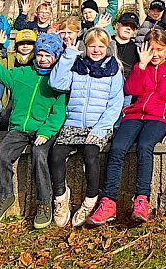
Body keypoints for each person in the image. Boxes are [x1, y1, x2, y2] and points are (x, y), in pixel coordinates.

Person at [86, 29, 166, 226]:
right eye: (151, 49)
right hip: (135, 114)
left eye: (160, 49)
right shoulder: (141, 65)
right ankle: (108, 201)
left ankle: (142, 199)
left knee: (144, 147)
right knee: (117, 148)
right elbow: (130, 90)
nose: (155, 54)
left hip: (159, 117)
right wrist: (141, 66)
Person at [0, 32, 66, 230]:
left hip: (44, 130)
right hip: (19, 129)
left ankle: (44, 203)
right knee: (0, 155)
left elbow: (59, 112)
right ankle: (3, 197)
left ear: (56, 57)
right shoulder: (21, 74)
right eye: (40, 55)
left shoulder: (58, 81)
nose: (43, 59)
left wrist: (46, 132)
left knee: (39, 156)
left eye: (48, 56)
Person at [49, 27, 124, 227]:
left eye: (100, 46)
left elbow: (115, 103)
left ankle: (90, 200)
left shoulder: (113, 69)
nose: (96, 50)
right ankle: (60, 198)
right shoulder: (76, 65)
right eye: (92, 46)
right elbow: (56, 83)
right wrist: (68, 55)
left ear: (107, 48)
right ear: (85, 47)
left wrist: (100, 129)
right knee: (56, 155)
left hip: (98, 125)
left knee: (91, 154)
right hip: (73, 123)